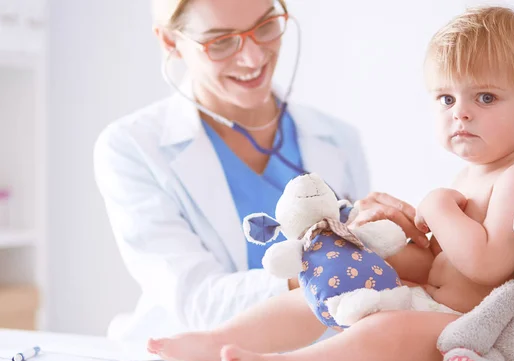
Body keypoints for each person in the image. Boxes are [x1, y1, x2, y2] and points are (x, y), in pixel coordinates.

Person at [146, 5, 514, 361]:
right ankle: (221, 340)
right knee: (329, 287)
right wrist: (388, 251)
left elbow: (486, 265)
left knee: (385, 331)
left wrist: (437, 207)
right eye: (446, 99)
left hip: (483, 342)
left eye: (485, 98)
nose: (461, 114)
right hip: (444, 314)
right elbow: (445, 267)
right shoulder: (478, 170)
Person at [94, 0, 430, 341]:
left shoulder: (340, 140)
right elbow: (197, 302)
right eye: (221, 42)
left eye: (266, 26)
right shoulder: (132, 147)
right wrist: (332, 258)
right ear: (170, 42)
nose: (253, 59)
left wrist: (385, 238)